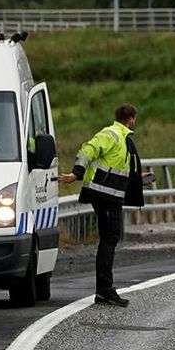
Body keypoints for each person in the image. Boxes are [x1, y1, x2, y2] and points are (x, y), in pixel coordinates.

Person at [63, 103, 152, 306]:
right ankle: (104, 290)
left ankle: (104, 289)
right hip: (103, 194)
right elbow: (88, 149)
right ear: (131, 119)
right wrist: (76, 173)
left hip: (108, 195)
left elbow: (116, 167)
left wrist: (139, 177)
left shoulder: (121, 139)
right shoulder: (112, 134)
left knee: (110, 237)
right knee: (110, 237)